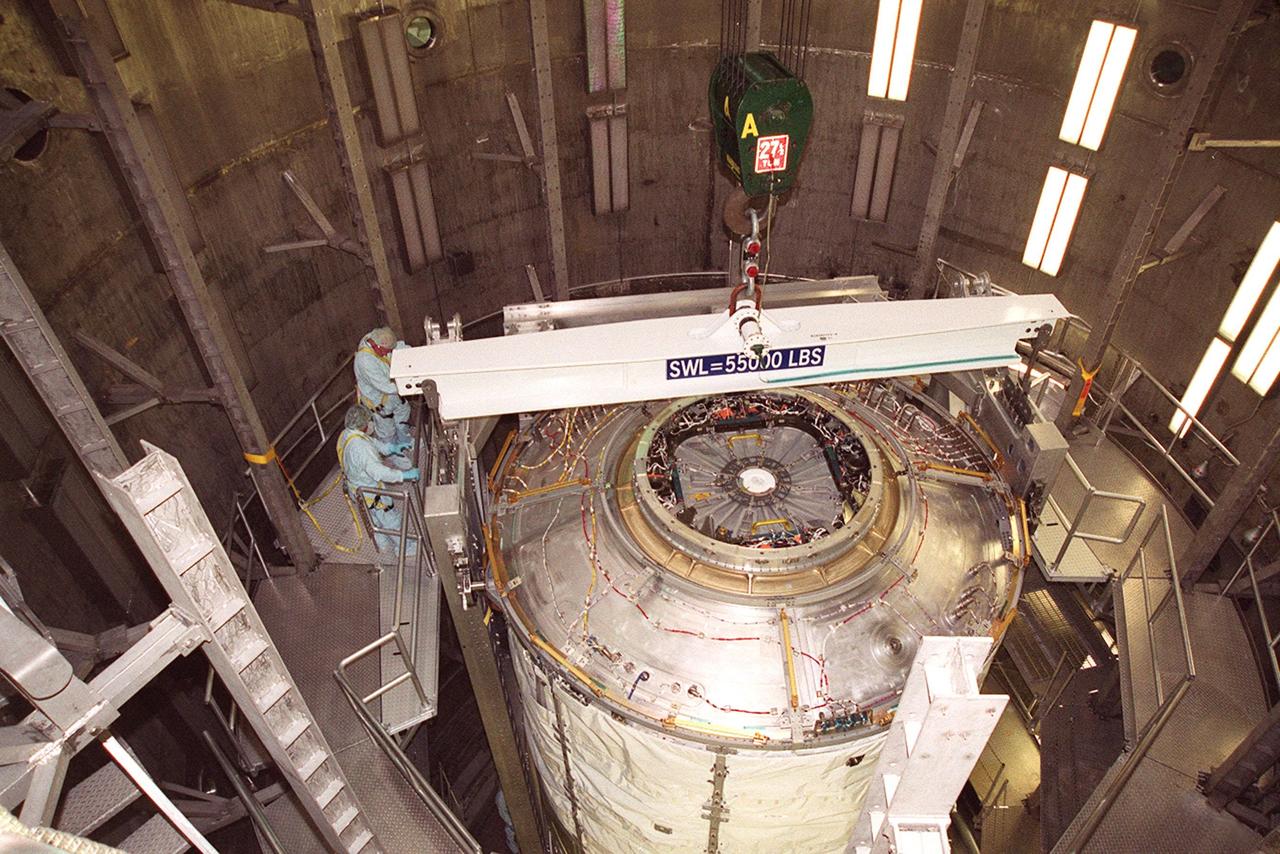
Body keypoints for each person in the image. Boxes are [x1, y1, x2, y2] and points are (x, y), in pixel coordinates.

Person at [337, 406, 419, 555]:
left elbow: (372, 443)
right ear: (363, 424)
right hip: (370, 492)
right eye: (369, 421)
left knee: (372, 517)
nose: (371, 424)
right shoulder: (360, 448)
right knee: (389, 518)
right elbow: (379, 472)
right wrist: (404, 475)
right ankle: (405, 548)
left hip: (356, 488)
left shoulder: (347, 434)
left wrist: (392, 448)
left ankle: (382, 541)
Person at [354, 326, 412, 445]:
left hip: (392, 394)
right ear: (379, 347)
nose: (388, 353)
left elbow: (396, 347)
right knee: (387, 429)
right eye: (387, 351)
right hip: (379, 400)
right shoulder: (365, 362)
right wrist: (409, 384)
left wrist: (411, 352)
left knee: (403, 412)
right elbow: (385, 386)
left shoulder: (376, 337)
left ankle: (405, 441)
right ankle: (393, 452)